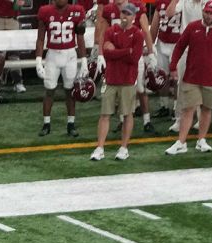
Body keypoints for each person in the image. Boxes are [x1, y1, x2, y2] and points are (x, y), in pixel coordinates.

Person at [167, 0, 212, 151]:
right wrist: (173, 66)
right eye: (206, 12)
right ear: (202, 11)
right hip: (192, 76)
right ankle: (181, 142)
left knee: (206, 109)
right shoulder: (192, 27)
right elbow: (179, 46)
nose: (208, 15)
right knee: (188, 108)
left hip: (211, 77)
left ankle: (201, 140)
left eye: (211, 13)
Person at [92, 3, 145, 158]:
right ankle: (100, 148)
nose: (124, 16)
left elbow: (134, 58)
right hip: (111, 78)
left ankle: (123, 148)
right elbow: (108, 54)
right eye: (123, 13)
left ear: (134, 17)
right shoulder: (110, 31)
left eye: (128, 14)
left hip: (128, 79)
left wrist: (116, 51)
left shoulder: (137, 34)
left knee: (128, 114)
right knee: (105, 114)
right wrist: (125, 51)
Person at [36, 0, 89, 136]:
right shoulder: (45, 11)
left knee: (70, 91)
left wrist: (84, 61)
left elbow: (80, 37)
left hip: (70, 54)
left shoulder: (77, 11)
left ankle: (71, 123)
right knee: (49, 91)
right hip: (52, 55)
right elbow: (41, 37)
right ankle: (46, 123)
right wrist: (38, 60)